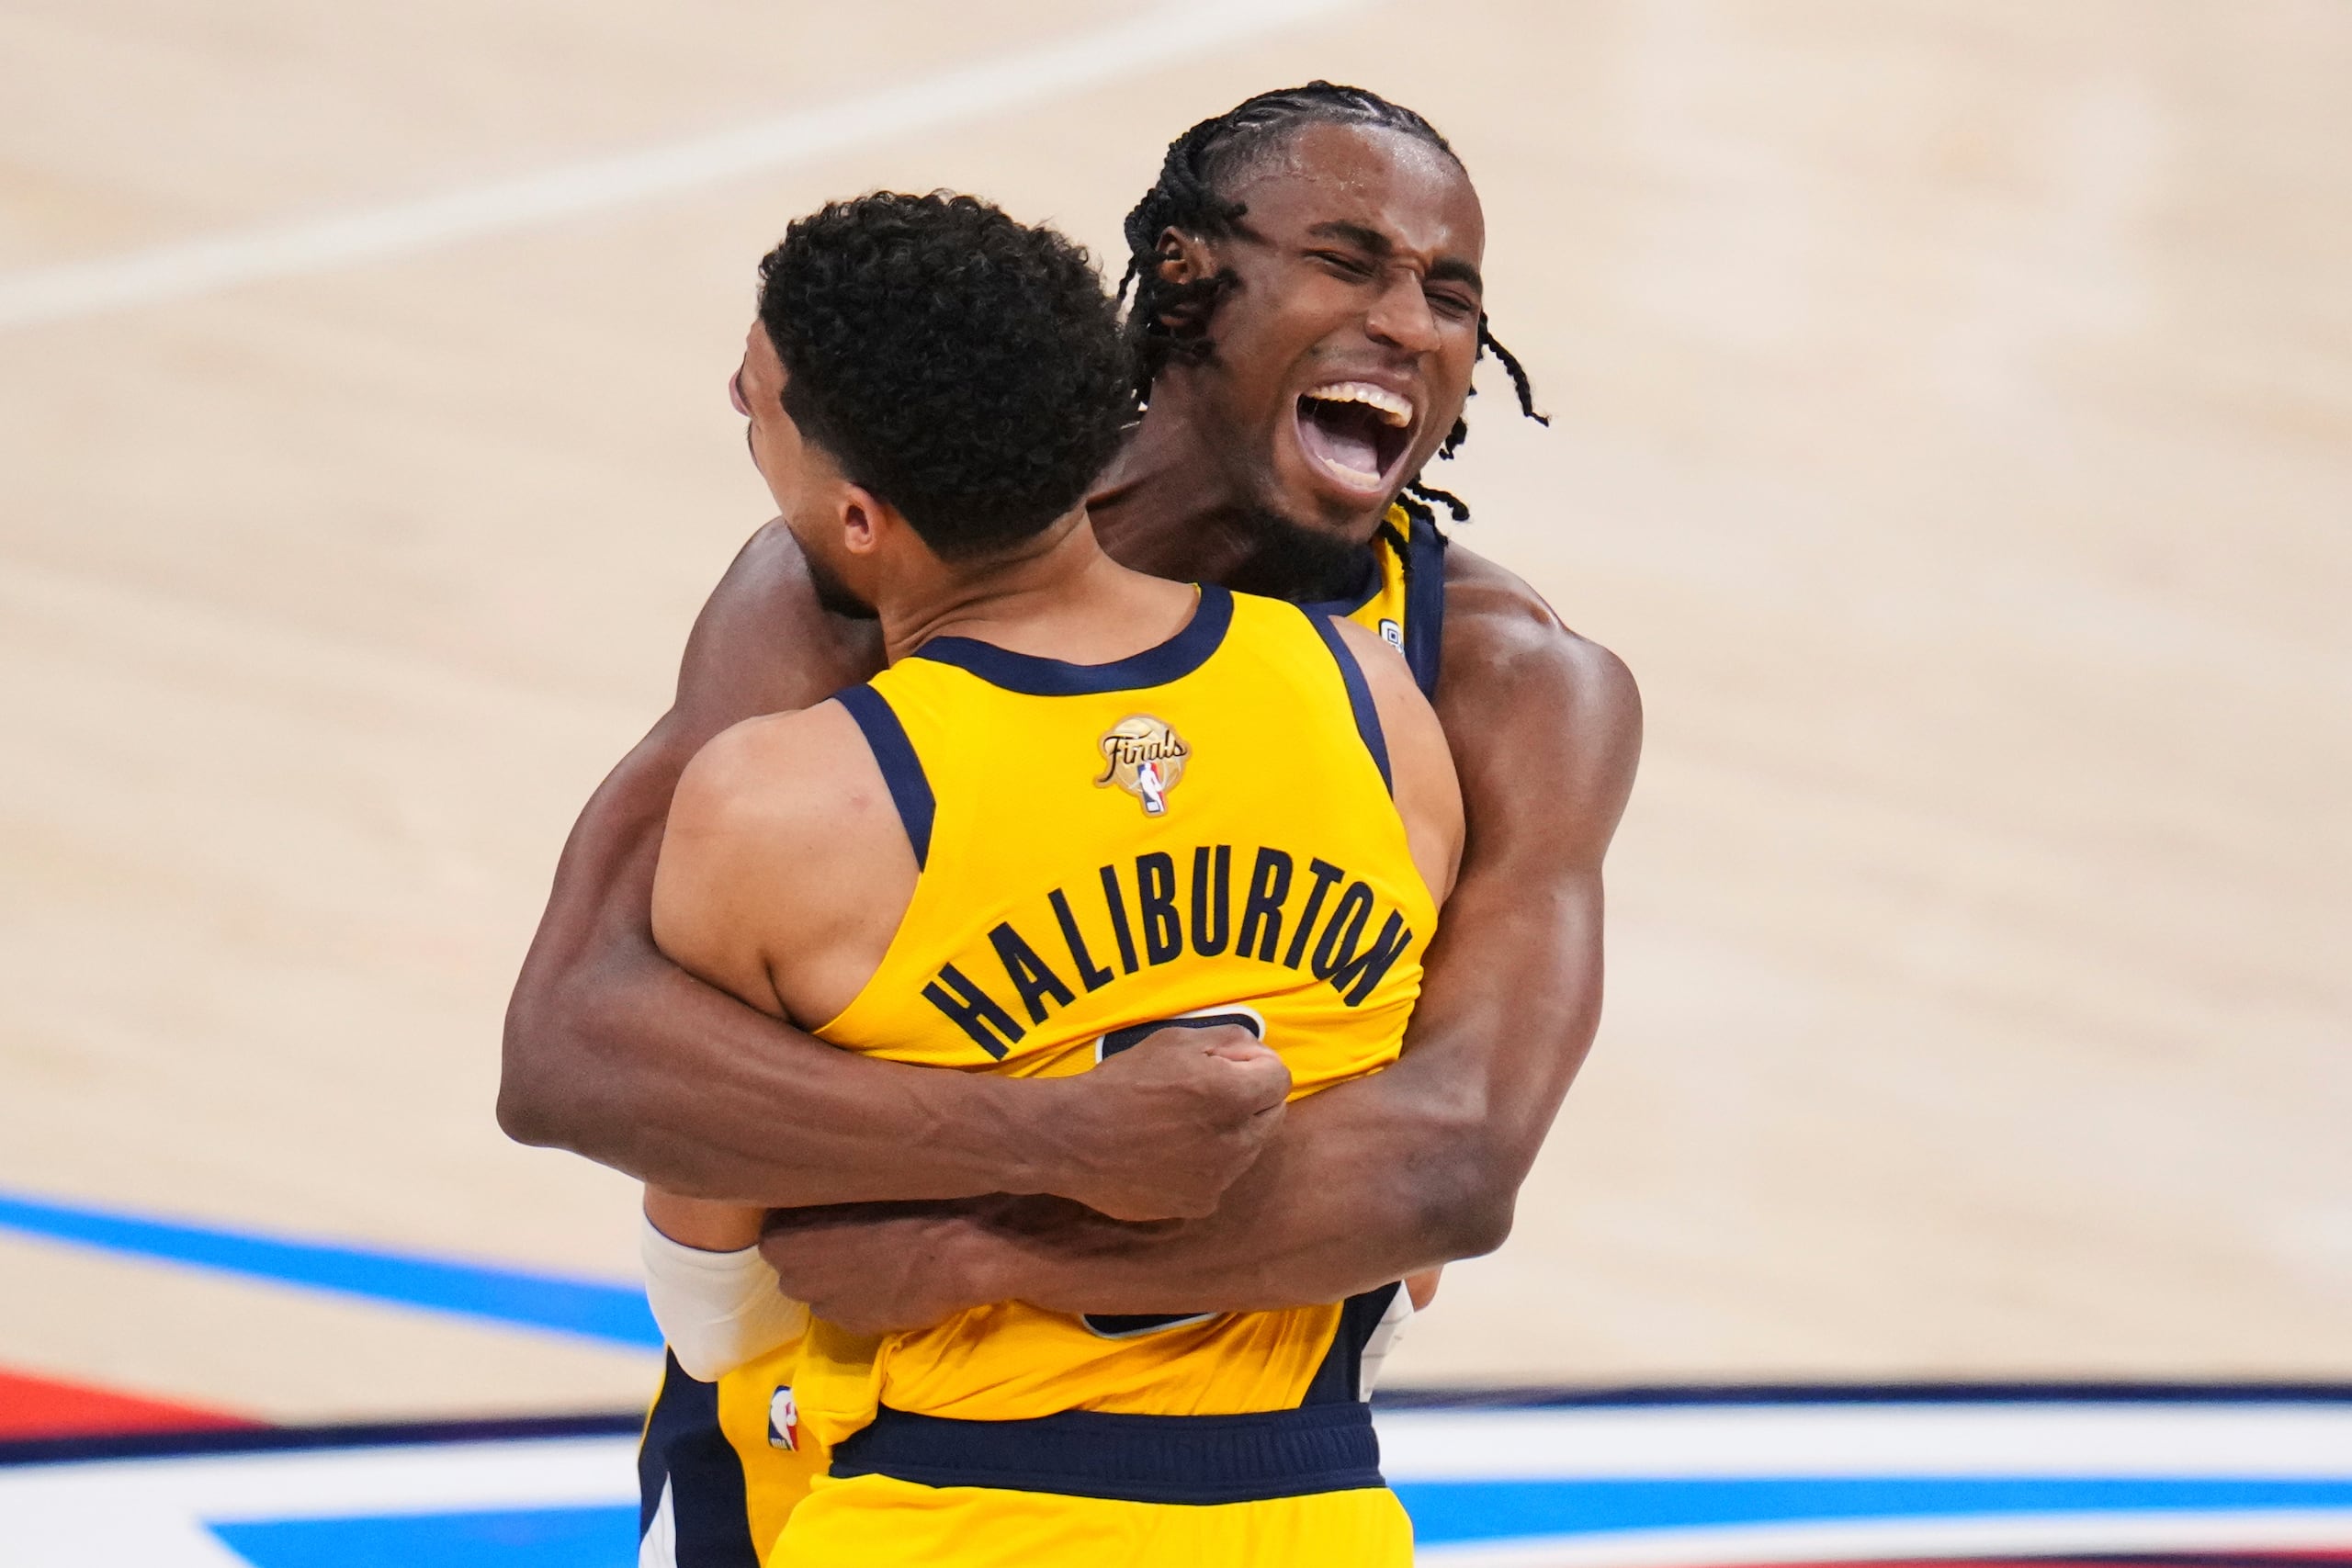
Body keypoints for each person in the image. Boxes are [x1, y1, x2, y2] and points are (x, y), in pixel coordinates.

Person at [499, 84, 1643, 1564]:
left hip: (1228, 1476)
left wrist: (973, 1243)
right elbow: (586, 1043)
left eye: (1452, 296)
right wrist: (1049, 1134)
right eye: (1352, 263)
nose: (1415, 324)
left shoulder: (1499, 684)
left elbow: (1444, 1169)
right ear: (1184, 274)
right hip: (804, 1451)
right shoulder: (872, 562)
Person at [643, 186, 1460, 1566]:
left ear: (857, 520)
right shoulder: (1370, 703)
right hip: (1312, 1513)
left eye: (758, 401)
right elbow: (1408, 1248)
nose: (740, 395)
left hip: (942, 1512)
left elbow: (717, 1313)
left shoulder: (787, 804)